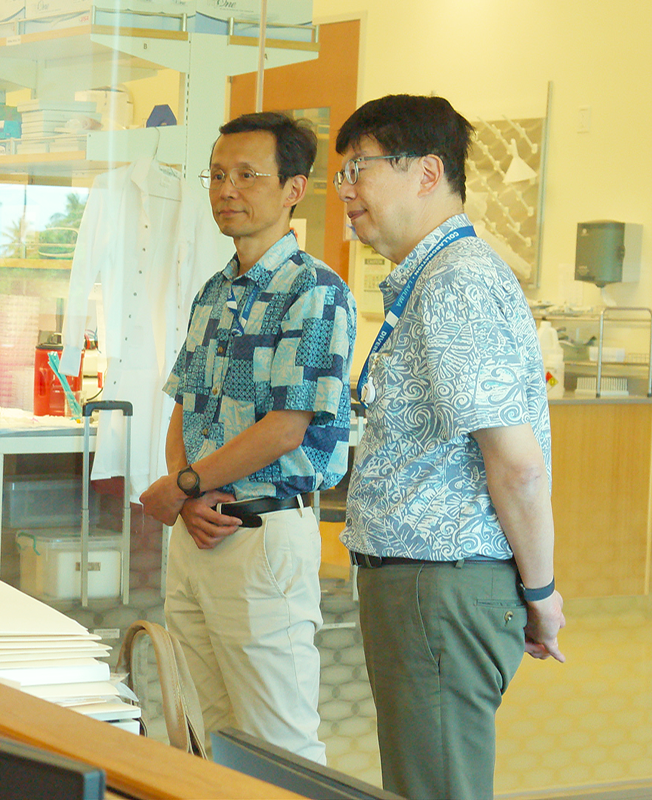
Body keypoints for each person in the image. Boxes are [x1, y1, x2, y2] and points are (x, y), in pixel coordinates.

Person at [335, 94, 565, 800]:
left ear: (426, 172)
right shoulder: (433, 277)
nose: (346, 192)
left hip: (439, 585)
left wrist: (543, 592)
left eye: (360, 169)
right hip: (426, 584)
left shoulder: (457, 281)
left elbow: (518, 465)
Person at [138, 111, 356, 763]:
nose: (226, 189)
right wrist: (187, 492)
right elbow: (186, 405)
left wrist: (183, 485)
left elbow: (288, 426)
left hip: (260, 535)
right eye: (218, 175)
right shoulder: (215, 289)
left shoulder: (314, 291)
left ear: (294, 188)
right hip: (198, 531)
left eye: (247, 176)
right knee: (201, 732)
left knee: (279, 741)